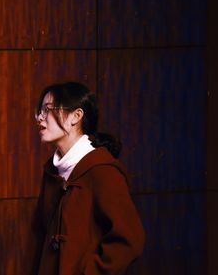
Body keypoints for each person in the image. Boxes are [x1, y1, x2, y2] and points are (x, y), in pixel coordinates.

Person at [32, 82, 145, 275]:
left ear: (76, 116)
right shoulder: (53, 171)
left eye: (48, 109)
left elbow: (129, 239)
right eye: (40, 111)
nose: (40, 118)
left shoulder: (102, 171)